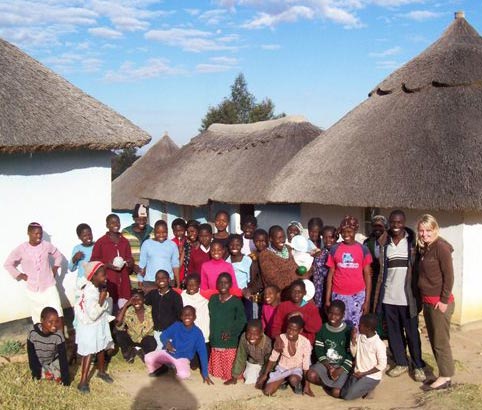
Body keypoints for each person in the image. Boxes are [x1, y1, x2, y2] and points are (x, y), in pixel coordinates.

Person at [372, 210, 425, 382]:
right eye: (393, 222)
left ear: (404, 222)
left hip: (408, 298)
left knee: (412, 333)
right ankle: (401, 362)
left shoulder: (413, 242)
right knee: (394, 333)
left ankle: (418, 365)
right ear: (389, 223)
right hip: (388, 297)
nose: (396, 226)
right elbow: (380, 272)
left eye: (399, 222)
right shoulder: (383, 243)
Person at [416, 214, 455, 391]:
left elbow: (449, 276)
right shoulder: (426, 248)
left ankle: (446, 376)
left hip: (440, 303)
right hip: (428, 302)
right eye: (421, 231)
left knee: (440, 341)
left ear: (435, 229)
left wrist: (444, 300)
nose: (424, 234)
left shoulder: (441, 247)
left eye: (428, 230)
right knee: (433, 339)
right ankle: (442, 373)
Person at [4, 222, 64, 325]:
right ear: (29, 233)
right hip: (33, 290)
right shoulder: (21, 249)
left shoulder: (46, 245)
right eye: (35, 234)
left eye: (40, 233)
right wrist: (21, 275)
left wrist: (54, 268)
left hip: (49, 286)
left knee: (57, 312)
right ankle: (42, 339)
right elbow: (8, 264)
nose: (39, 236)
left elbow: (59, 256)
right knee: (38, 317)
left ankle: (61, 339)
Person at [144, 306, 214, 385]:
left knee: (184, 375)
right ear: (181, 317)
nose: (187, 316)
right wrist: (167, 343)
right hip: (168, 353)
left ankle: (172, 368)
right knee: (148, 358)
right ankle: (163, 368)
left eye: (190, 314)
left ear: (195, 317)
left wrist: (205, 374)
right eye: (184, 314)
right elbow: (163, 335)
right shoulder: (177, 325)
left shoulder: (197, 333)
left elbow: (203, 353)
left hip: (182, 358)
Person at [75, 261, 115, 394]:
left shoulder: (98, 287)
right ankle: (83, 381)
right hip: (90, 327)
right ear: (93, 277)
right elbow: (92, 315)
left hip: (99, 325)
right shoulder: (90, 292)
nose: (105, 278)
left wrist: (104, 296)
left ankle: (101, 372)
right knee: (89, 352)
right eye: (103, 275)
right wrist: (102, 299)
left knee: (101, 346)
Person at [325, 216, 372, 328]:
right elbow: (330, 274)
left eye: (349, 231)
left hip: (357, 295)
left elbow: (367, 275)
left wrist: (367, 300)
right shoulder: (335, 249)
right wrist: (327, 299)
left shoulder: (363, 249)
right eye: (343, 232)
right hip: (338, 294)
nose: (346, 235)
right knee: (337, 325)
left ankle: (353, 346)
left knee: (355, 327)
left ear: (355, 231)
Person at [305, 300, 352, 398]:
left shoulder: (348, 331)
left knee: (336, 393)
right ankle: (327, 385)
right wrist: (329, 367)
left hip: (341, 366)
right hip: (326, 364)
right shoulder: (323, 329)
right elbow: (319, 350)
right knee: (310, 375)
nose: (333, 317)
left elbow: (351, 355)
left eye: (337, 315)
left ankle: (333, 386)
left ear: (343, 315)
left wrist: (339, 370)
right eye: (330, 313)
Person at [260, 316, 313, 396]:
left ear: (300, 330)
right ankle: (284, 380)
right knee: (267, 392)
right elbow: (273, 358)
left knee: (293, 379)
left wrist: (307, 386)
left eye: (295, 330)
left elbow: (306, 365)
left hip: (297, 368)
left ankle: (296, 383)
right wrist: (265, 375)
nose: (291, 332)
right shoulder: (281, 338)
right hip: (282, 368)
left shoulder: (305, 342)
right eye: (289, 329)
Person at [208, 273, 247, 380]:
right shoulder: (213, 299)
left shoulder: (236, 302)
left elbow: (241, 320)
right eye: (220, 282)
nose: (223, 284)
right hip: (216, 338)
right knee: (216, 374)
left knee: (229, 374)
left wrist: (231, 332)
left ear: (230, 284)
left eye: (226, 282)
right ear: (216, 284)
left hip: (229, 340)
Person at [340, 314, 387, 400]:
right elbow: (354, 353)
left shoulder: (379, 344)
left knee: (347, 397)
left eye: (360, 325)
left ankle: (370, 387)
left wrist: (363, 374)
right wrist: (353, 340)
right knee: (342, 393)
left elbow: (382, 365)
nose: (358, 326)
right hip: (358, 373)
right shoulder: (360, 337)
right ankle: (362, 386)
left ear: (367, 328)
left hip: (371, 376)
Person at [91, 214, 133, 309]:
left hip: (123, 283)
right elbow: (93, 262)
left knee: (123, 310)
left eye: (117, 222)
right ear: (107, 225)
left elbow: (129, 260)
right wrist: (106, 265)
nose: (115, 224)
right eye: (112, 222)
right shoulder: (101, 242)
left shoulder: (125, 242)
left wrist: (130, 263)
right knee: (109, 310)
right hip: (109, 282)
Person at [259, 225, 309, 298]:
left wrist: (305, 277)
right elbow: (275, 280)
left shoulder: (288, 248)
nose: (282, 240)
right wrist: (296, 284)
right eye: (279, 238)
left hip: (297, 292)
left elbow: (297, 267)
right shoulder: (265, 255)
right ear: (271, 239)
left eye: (283, 237)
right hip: (281, 296)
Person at [27, 306, 70, 386]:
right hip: (40, 362)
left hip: (53, 360)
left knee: (62, 364)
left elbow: (62, 358)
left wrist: (66, 380)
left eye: (56, 321)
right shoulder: (33, 333)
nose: (54, 325)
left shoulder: (58, 335)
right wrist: (36, 373)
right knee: (38, 370)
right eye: (50, 322)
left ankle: (52, 374)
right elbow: (31, 356)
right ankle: (46, 373)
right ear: (42, 320)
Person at [271, 279, 322, 345]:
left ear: (305, 292)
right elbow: (276, 326)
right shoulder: (283, 306)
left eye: (299, 292)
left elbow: (316, 327)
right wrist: (278, 338)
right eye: (293, 291)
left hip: (304, 345)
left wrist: (303, 316)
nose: (296, 294)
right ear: (290, 292)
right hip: (285, 342)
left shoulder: (311, 308)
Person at [224, 319, 272, 387]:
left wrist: (263, 375)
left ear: (261, 333)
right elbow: (241, 356)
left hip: (266, 366)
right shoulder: (244, 337)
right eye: (249, 333)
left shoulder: (267, 343)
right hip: (253, 363)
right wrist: (234, 377)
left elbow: (270, 362)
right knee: (250, 381)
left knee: (265, 383)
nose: (251, 337)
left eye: (255, 334)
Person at [115, 289, 157, 363]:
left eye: (139, 299)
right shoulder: (128, 311)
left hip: (145, 339)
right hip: (132, 338)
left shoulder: (151, 310)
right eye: (133, 299)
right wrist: (126, 305)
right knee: (119, 335)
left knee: (151, 343)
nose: (136, 302)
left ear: (144, 300)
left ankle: (141, 351)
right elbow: (118, 324)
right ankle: (129, 353)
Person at [144, 269, 183, 350]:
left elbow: (180, 316)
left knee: (169, 355)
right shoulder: (153, 294)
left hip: (169, 332)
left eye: (163, 277)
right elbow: (143, 303)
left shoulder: (175, 296)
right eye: (158, 278)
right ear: (155, 281)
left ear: (169, 280)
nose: (161, 280)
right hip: (156, 331)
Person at [138, 220, 180, 291]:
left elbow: (175, 265)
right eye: (158, 233)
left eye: (164, 232)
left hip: (168, 282)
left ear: (167, 231)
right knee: (150, 302)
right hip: (150, 282)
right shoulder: (147, 244)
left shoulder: (172, 245)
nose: (161, 235)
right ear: (154, 232)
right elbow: (142, 264)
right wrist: (140, 280)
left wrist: (178, 283)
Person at [180, 274, 210, 357]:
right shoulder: (182, 296)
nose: (191, 287)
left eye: (194, 285)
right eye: (189, 285)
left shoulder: (205, 295)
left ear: (199, 285)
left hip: (204, 334)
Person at [121, 204, 153, 279]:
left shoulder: (152, 232)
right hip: (131, 278)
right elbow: (122, 253)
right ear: (134, 219)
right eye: (139, 219)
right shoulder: (125, 233)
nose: (142, 221)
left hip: (150, 277)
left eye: (144, 219)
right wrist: (133, 266)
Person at [227, 234, 254, 319]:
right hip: (231, 295)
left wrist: (249, 290)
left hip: (244, 295)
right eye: (232, 245)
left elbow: (251, 278)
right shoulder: (226, 261)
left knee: (245, 318)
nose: (234, 247)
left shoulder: (247, 260)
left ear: (242, 245)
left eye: (237, 245)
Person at [364, 215, 387, 311]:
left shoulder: (389, 241)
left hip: (386, 277)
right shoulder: (367, 242)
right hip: (372, 277)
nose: (377, 229)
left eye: (380, 226)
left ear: (385, 228)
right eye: (375, 226)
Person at [312, 226, 338, 312]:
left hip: (335, 291)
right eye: (325, 237)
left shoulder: (340, 252)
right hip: (320, 292)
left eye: (331, 237)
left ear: (336, 237)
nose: (328, 240)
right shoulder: (319, 254)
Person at [69, 223, 95, 291]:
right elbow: (71, 269)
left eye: (89, 234)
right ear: (79, 237)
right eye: (84, 236)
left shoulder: (97, 246)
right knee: (84, 299)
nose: (88, 237)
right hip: (82, 281)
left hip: (96, 280)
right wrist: (74, 258)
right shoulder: (77, 248)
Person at [171, 218, 187, 284]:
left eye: (181, 230)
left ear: (185, 230)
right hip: (176, 277)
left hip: (187, 277)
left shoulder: (188, 241)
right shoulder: (171, 243)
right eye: (175, 231)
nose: (178, 233)